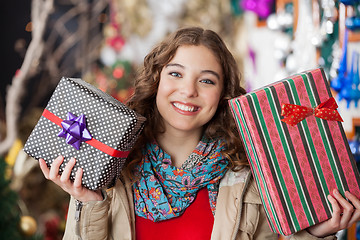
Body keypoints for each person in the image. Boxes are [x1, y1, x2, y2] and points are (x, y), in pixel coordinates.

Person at [39, 27, 360, 240]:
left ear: (223, 93)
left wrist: (316, 234)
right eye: (176, 74)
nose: (188, 91)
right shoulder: (110, 169)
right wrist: (89, 202)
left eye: (206, 80)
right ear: (157, 80)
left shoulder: (252, 176)